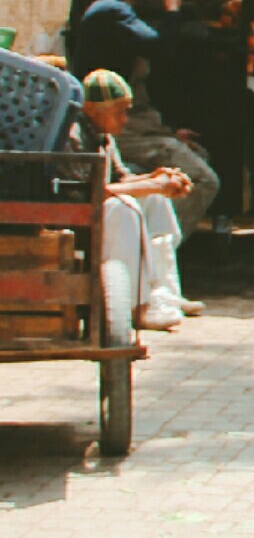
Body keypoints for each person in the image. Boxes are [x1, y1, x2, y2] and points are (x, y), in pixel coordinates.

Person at [69, 0, 221, 226]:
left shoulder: (120, 11)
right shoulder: (111, 12)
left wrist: (168, 131)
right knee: (203, 180)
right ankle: (154, 247)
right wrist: (172, 11)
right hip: (119, 128)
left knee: (200, 156)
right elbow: (161, 48)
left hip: (136, 122)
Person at [74, 71, 201, 340]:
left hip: (97, 210)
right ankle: (136, 305)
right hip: (79, 220)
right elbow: (94, 192)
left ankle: (164, 292)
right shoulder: (75, 136)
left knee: (154, 199)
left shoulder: (104, 136)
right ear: (90, 110)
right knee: (125, 208)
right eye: (118, 112)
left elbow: (121, 178)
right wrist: (150, 185)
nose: (124, 119)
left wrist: (157, 179)